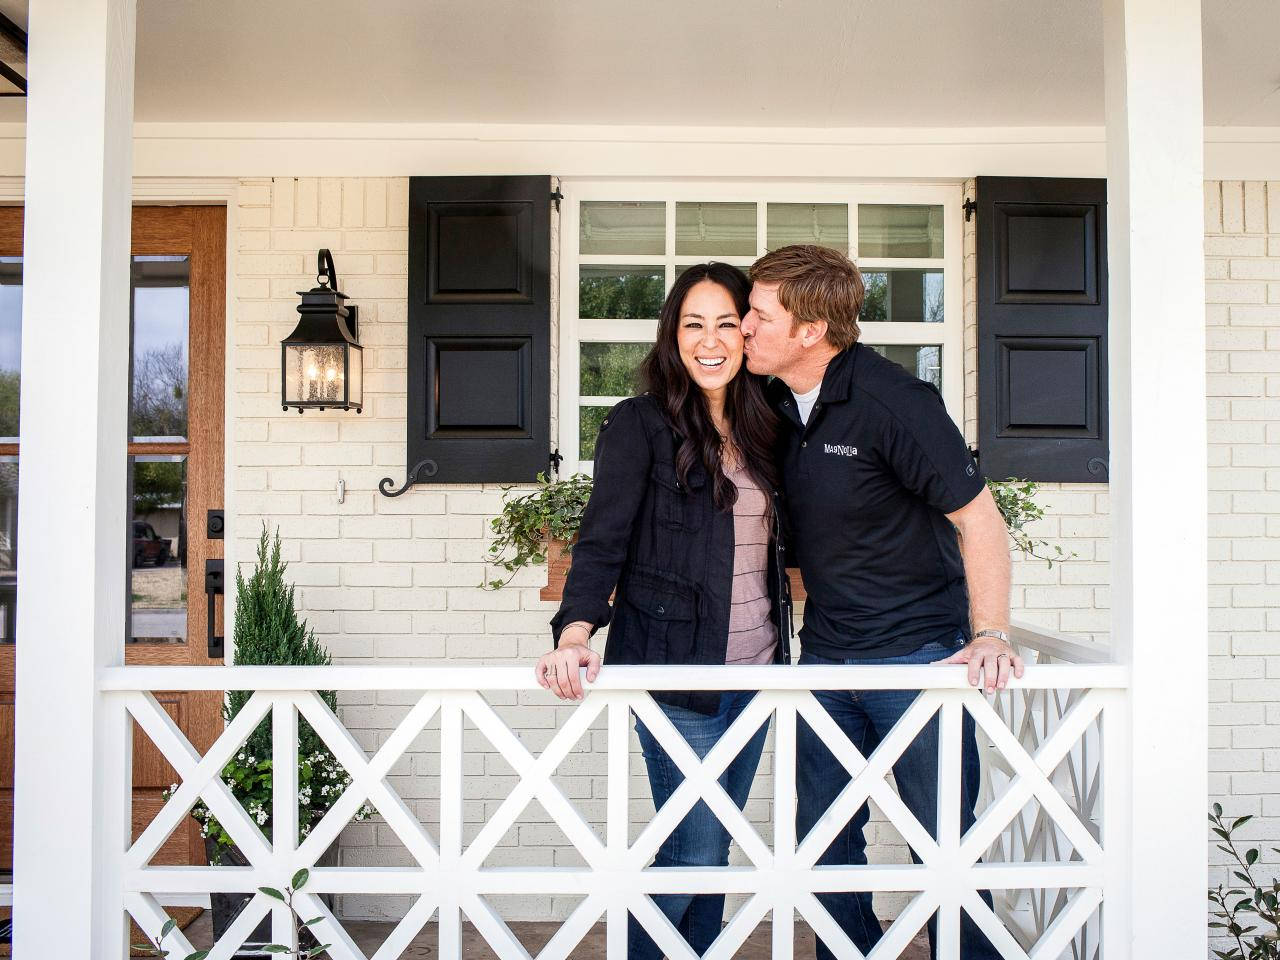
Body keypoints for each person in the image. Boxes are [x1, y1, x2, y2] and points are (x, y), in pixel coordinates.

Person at [740, 244, 1022, 959]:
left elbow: (980, 521)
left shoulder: (896, 403)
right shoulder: (776, 401)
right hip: (828, 658)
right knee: (825, 838)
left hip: (918, 658)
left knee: (944, 840)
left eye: (758, 315)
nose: (743, 326)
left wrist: (990, 633)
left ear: (810, 330)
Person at [537, 262, 792, 958]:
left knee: (711, 854)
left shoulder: (768, 423)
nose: (709, 341)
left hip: (759, 673)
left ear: (746, 332)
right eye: (692, 324)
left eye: (724, 324)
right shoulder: (640, 425)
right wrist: (574, 631)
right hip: (679, 676)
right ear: (672, 335)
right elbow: (602, 540)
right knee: (695, 848)